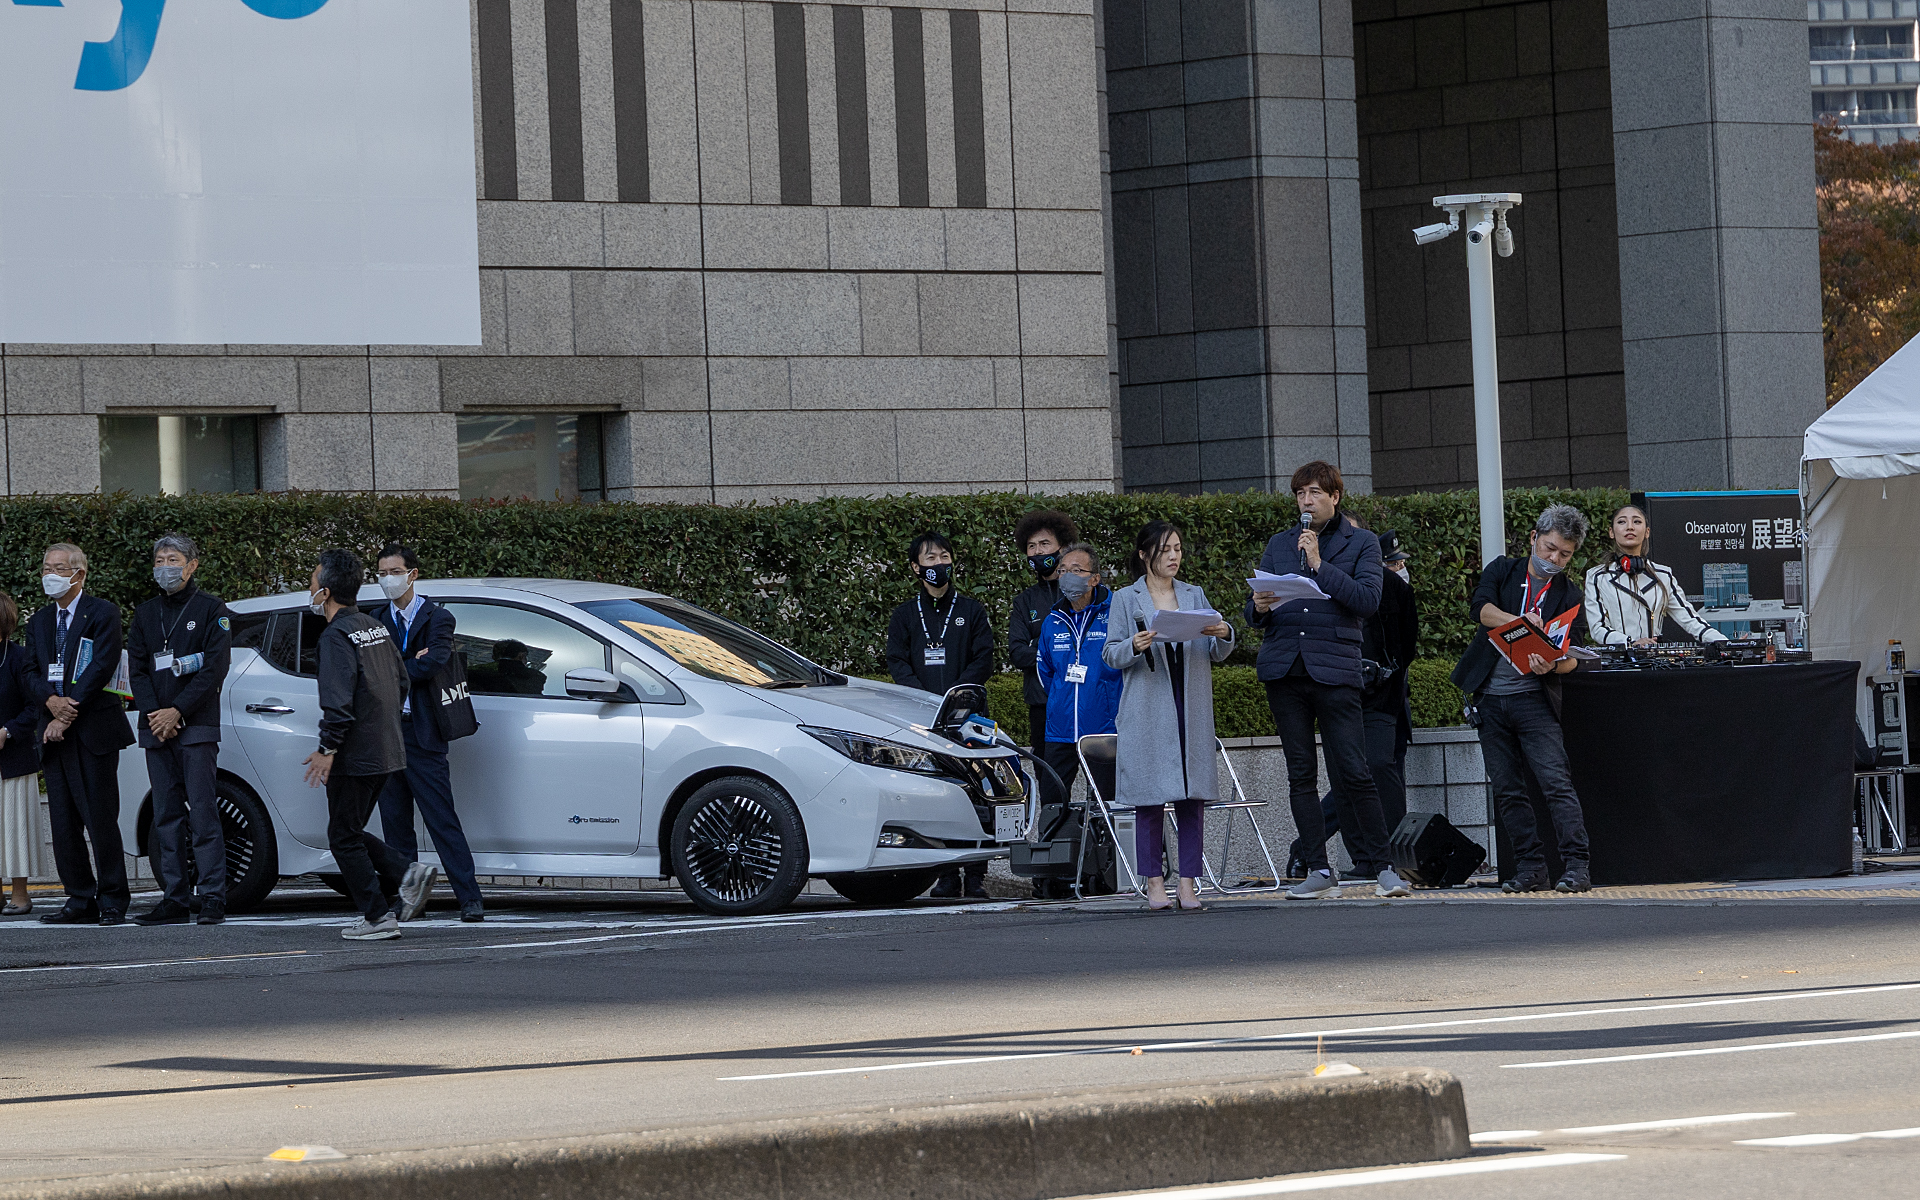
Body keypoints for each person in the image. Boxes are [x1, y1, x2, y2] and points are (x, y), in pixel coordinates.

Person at [1246, 463, 1410, 901]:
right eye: (1300, 493)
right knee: (1300, 774)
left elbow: (1367, 600)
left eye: (1315, 492)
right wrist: (1258, 606)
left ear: (1335, 497)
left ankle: (1384, 867)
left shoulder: (1362, 542)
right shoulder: (1280, 543)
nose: (1306, 501)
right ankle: (1318, 868)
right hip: (1285, 670)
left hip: (1335, 669)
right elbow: (1254, 612)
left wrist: (1319, 564)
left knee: (1355, 770)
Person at [1450, 504, 1593, 894]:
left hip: (1535, 699)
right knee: (1507, 788)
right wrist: (1519, 622)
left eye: (1564, 554)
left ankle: (1577, 866)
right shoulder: (1503, 570)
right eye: (1549, 548)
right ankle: (1531, 867)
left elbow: (1574, 655)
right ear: (1534, 538)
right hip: (1489, 697)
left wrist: (1553, 664)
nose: (1554, 559)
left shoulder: (1568, 593)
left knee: (1555, 783)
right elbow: (1481, 609)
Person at [300, 549, 438, 941]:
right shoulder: (373, 626)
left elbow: (338, 702)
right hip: (387, 747)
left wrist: (328, 750)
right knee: (349, 829)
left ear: (325, 592)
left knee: (343, 837)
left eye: (312, 582)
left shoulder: (335, 637)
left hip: (354, 753)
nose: (310, 589)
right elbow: (401, 681)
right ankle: (407, 872)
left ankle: (378, 916)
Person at [1102, 521, 1235, 912]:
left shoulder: (1193, 593)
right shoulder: (1126, 598)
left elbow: (1216, 649)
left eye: (1177, 548)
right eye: (1165, 550)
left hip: (1189, 704)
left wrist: (1224, 632)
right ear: (1144, 554)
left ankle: (1189, 883)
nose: (1174, 556)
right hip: (1148, 707)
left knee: (1193, 798)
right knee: (1149, 799)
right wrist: (1134, 644)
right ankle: (1154, 882)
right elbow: (1110, 654)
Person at [1290, 529, 1420, 877]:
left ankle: (1391, 856)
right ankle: (1362, 858)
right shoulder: (1317, 582)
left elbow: (1406, 644)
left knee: (1378, 768)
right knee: (1343, 775)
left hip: (1382, 696)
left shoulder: (1393, 589)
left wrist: (1386, 675)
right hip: (1338, 690)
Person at [373, 544, 484, 923]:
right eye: (382, 573)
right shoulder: (375, 619)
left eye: (395, 572)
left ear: (413, 574)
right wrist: (409, 663)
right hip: (387, 734)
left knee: (441, 819)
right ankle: (409, 901)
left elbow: (435, 661)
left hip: (423, 733)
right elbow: (370, 669)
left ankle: (469, 898)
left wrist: (393, 668)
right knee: (395, 824)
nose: (388, 579)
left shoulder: (438, 617)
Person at [26, 543, 135, 925]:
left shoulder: (102, 612)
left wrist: (67, 709)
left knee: (100, 818)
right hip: (53, 733)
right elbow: (30, 671)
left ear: (79, 574)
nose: (49, 575)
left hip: (91, 730)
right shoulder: (39, 621)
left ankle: (112, 899)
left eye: (58, 568)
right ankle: (79, 898)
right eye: (46, 568)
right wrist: (51, 703)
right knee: (63, 822)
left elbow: (102, 664)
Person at [128, 534, 234, 927]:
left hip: (196, 726)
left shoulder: (212, 609)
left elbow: (215, 668)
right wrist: (156, 714)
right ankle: (174, 897)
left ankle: (212, 896)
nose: (164, 567)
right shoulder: (145, 613)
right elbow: (137, 670)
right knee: (165, 815)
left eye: (172, 560)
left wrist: (177, 711)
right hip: (156, 728)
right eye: (159, 560)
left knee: (204, 812)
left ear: (192, 565)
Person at [884, 531, 996, 898]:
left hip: (969, 718)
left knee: (978, 792)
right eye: (930, 558)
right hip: (924, 720)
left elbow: (984, 658)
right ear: (916, 567)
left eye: (944, 556)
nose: (939, 564)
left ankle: (976, 875)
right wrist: (921, 696)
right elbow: (897, 660)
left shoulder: (971, 610)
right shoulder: (904, 615)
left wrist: (956, 696)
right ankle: (946, 875)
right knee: (938, 793)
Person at [1584, 504, 1729, 647]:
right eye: (1622, 522)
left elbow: (1690, 619)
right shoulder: (1597, 577)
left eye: (1637, 521)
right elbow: (1597, 628)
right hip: (1618, 659)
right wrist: (1630, 643)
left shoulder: (1663, 575)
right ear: (1611, 532)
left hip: (1654, 658)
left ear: (1647, 532)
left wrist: (1727, 644)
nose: (1630, 527)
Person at [1007, 510, 1081, 749]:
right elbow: (1017, 653)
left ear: (1063, 547)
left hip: (1083, 699)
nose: (1038, 551)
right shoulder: (1024, 601)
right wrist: (1058, 651)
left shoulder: (1082, 593)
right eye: (1031, 546)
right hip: (1041, 703)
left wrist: (1037, 647)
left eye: (1044, 543)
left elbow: (1090, 645)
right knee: (1046, 769)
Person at [0, 592, 45, 917]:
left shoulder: (18, 657)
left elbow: (35, 707)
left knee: (16, 828)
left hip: (14, 756)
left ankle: (20, 894)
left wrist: (7, 731)